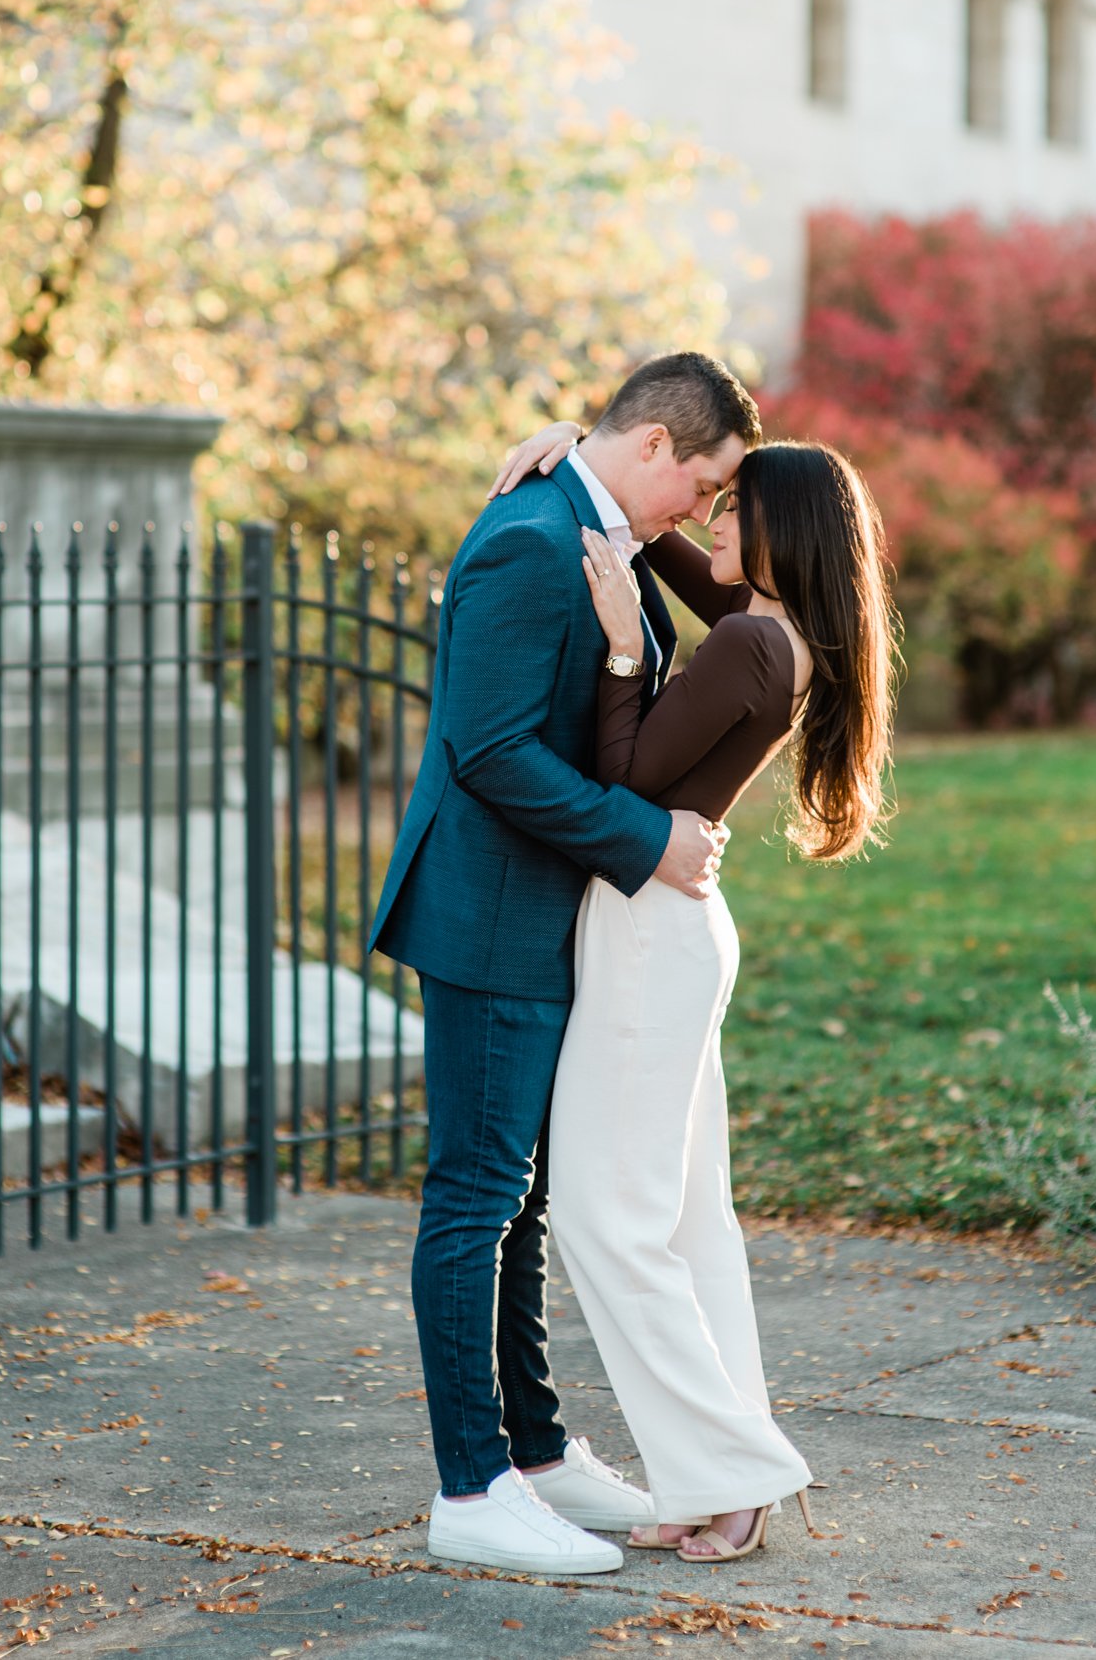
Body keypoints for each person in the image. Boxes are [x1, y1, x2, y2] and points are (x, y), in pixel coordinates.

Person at [369, 353, 761, 1575]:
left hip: (551, 919)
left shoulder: (596, 524)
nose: (696, 516)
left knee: (523, 1201)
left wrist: (565, 439)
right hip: (490, 920)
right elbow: (486, 752)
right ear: (651, 448)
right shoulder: (530, 540)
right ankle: (471, 1487)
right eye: (697, 486)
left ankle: (534, 1455)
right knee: (476, 1197)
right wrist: (651, 843)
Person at [491, 417, 896, 1565]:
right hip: (676, 932)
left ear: (780, 534)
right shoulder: (773, 631)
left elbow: (622, 781)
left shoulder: (744, 648)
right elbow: (660, 545)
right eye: (706, 497)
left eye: (732, 506)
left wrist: (623, 648)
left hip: (646, 933)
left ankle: (735, 1470)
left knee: (613, 1223)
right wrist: (588, 462)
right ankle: (727, 1471)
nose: (708, 517)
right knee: (682, 1223)